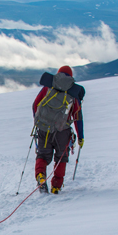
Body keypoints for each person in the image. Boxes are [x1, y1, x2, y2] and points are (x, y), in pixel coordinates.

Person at [32, 65, 85, 194]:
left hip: (44, 129)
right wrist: (80, 136)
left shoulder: (49, 87)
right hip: (63, 131)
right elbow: (77, 116)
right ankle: (56, 186)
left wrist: (38, 121)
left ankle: (40, 176)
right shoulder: (73, 92)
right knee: (61, 157)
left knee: (43, 154)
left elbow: (35, 105)